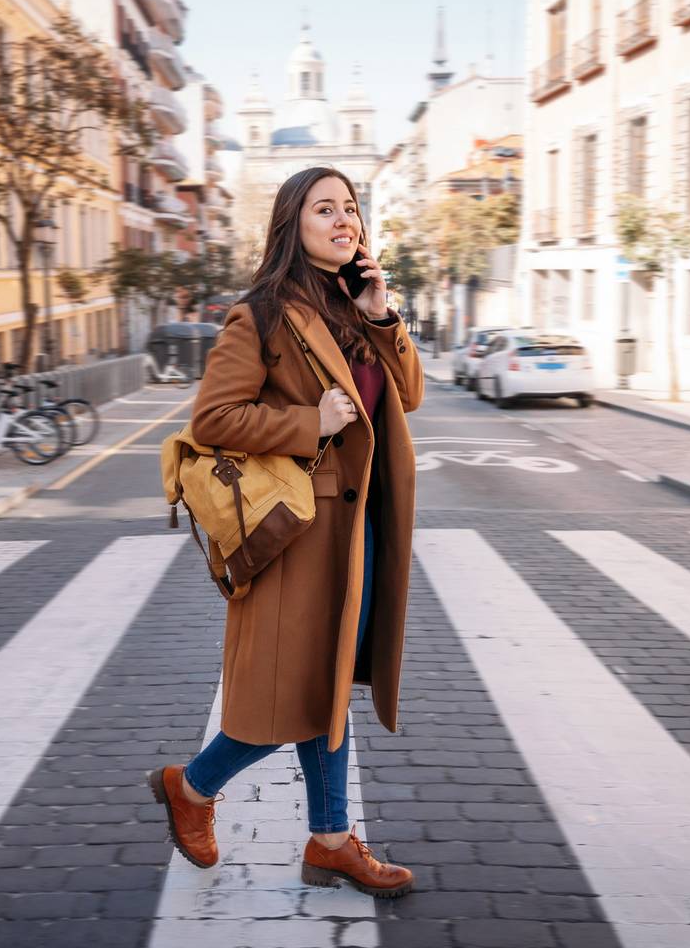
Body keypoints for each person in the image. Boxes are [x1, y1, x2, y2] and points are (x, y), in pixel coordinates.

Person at [149, 167, 423, 898]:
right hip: (294, 529)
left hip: (355, 529)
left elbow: (411, 396)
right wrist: (311, 423)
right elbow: (214, 419)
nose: (344, 220)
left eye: (351, 208)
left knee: (323, 683)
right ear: (291, 226)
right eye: (324, 209)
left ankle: (330, 839)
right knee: (283, 691)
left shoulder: (354, 306)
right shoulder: (264, 314)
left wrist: (381, 315)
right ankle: (193, 787)